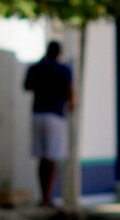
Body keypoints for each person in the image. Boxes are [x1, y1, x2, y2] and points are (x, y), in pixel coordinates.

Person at [24, 40, 73, 207]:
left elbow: (27, 86)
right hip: (55, 115)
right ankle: (48, 196)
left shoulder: (36, 67)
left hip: (38, 114)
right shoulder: (63, 70)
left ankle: (43, 196)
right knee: (51, 158)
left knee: (42, 157)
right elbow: (69, 93)